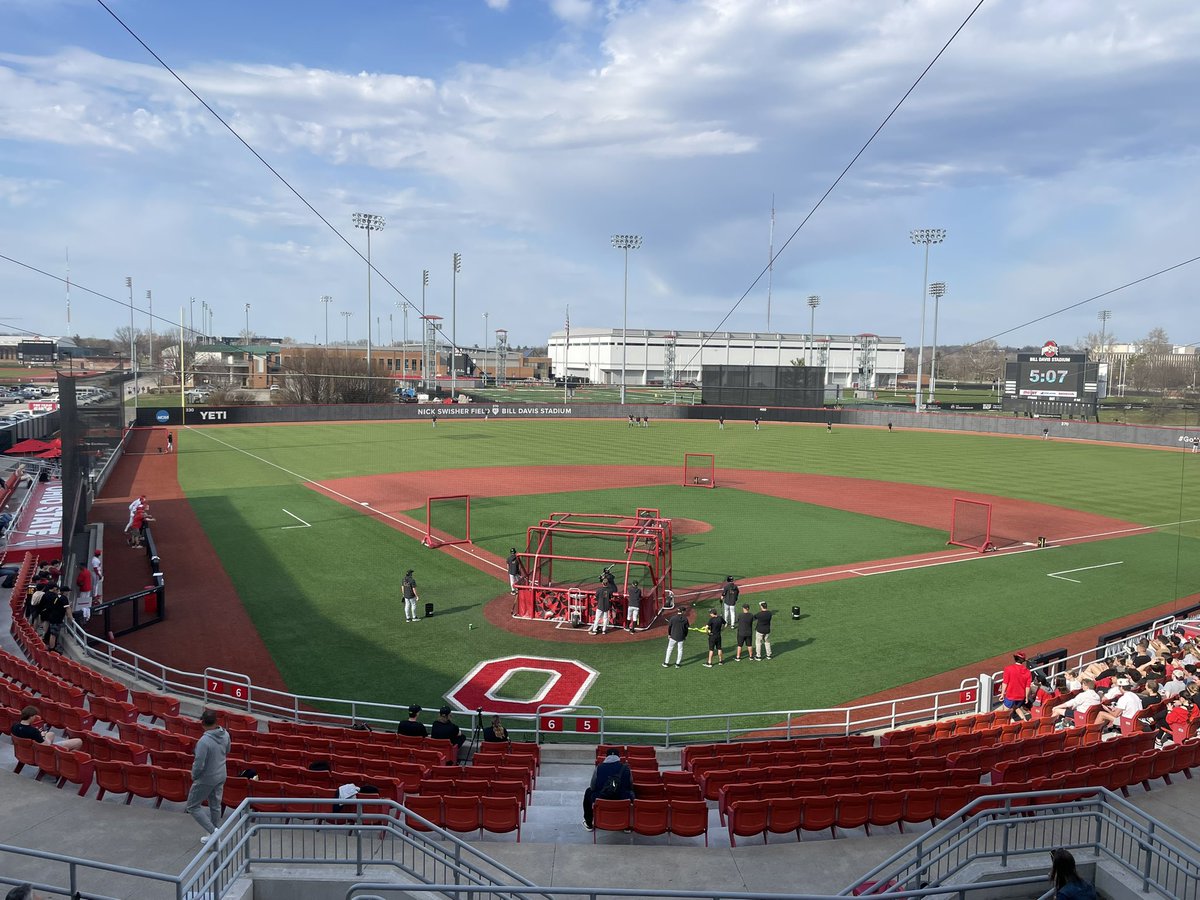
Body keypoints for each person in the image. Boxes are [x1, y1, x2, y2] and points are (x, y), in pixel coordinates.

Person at [186, 709, 230, 842]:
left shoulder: (203, 742)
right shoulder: (226, 734)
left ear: (203, 723)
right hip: (221, 774)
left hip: (207, 778)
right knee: (215, 805)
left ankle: (213, 832)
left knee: (192, 806)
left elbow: (199, 763)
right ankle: (214, 836)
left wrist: (194, 775)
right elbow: (227, 751)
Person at [582, 749, 633, 831]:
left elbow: (592, 786)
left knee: (588, 791)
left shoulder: (599, 767)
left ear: (607, 757)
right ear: (618, 757)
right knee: (631, 793)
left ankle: (589, 823)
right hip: (622, 799)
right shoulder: (626, 768)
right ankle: (628, 826)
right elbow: (630, 786)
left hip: (602, 798)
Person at [11, 705, 83, 751]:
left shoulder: (14, 726)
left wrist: (41, 734)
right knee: (78, 741)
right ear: (31, 717)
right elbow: (46, 745)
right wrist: (43, 736)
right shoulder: (33, 731)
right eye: (35, 716)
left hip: (24, 750)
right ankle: (65, 758)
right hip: (39, 750)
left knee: (51, 733)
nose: (35, 718)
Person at [1000, 652, 1034, 721]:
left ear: (1015, 659)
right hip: (1021, 696)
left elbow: (1005, 682)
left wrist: (1002, 694)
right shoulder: (1028, 672)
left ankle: (1005, 725)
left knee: (1005, 713)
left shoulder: (1008, 669)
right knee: (1016, 707)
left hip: (1010, 695)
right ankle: (1025, 721)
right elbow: (1027, 686)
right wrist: (1026, 697)